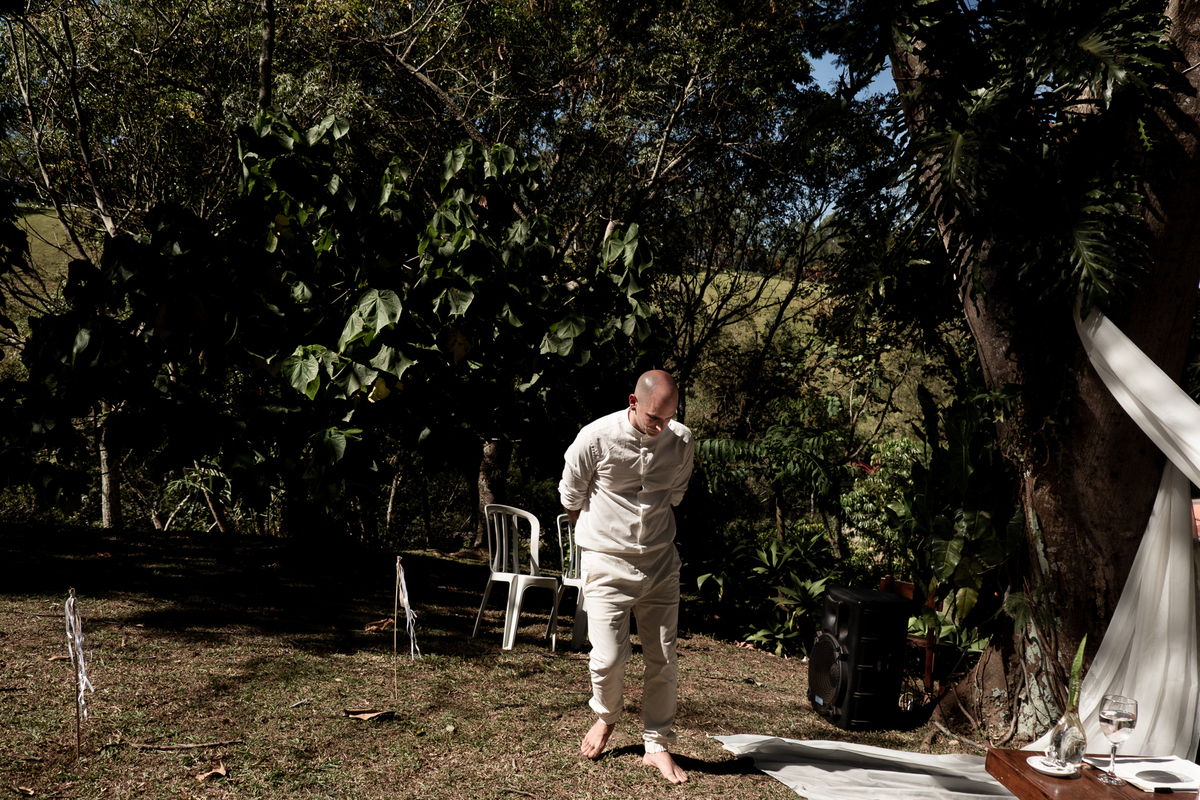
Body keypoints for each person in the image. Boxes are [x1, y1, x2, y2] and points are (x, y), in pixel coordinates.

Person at [558, 369, 694, 784]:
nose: (660, 427)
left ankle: (656, 744)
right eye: (654, 418)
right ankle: (605, 716)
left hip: (659, 563)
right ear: (632, 402)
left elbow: (675, 494)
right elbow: (570, 498)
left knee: (664, 657)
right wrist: (599, 539)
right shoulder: (595, 437)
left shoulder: (681, 439)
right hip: (605, 561)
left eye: (668, 418)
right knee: (610, 656)